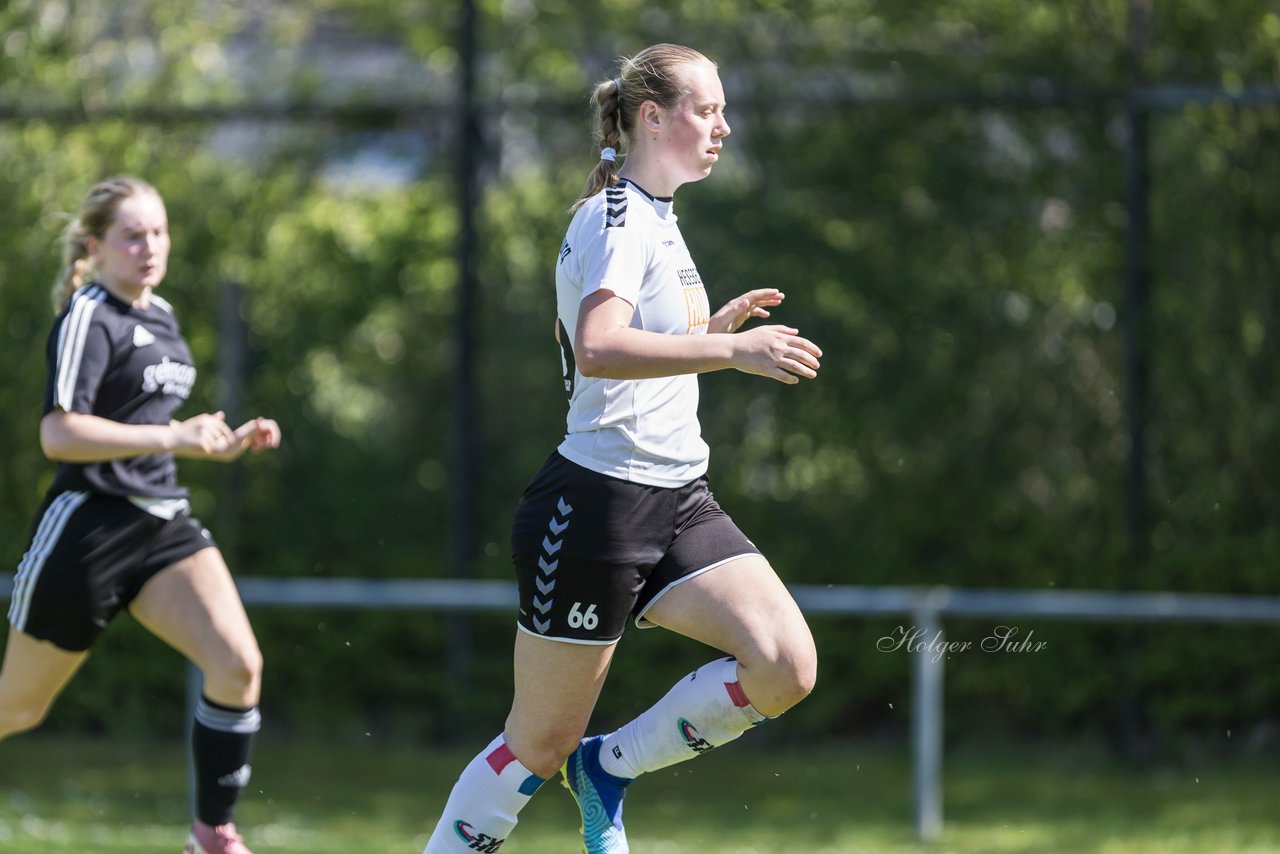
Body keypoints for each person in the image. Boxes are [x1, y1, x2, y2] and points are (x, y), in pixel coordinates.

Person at [422, 43, 822, 853]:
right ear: (652, 116)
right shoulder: (616, 217)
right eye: (707, 110)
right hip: (597, 505)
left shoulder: (657, 217)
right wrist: (729, 353)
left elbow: (632, 358)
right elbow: (601, 346)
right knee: (536, 746)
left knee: (785, 665)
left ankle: (609, 768)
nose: (723, 127)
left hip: (680, 498)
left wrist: (709, 333)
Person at [0, 176, 281, 854]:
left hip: (162, 523)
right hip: (88, 529)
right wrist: (173, 437)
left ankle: (211, 835)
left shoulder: (161, 314)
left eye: (157, 232)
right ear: (95, 248)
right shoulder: (88, 314)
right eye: (131, 236)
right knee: (18, 708)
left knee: (239, 665)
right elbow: (59, 434)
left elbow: (156, 424)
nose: (148, 247)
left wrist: (219, 439)